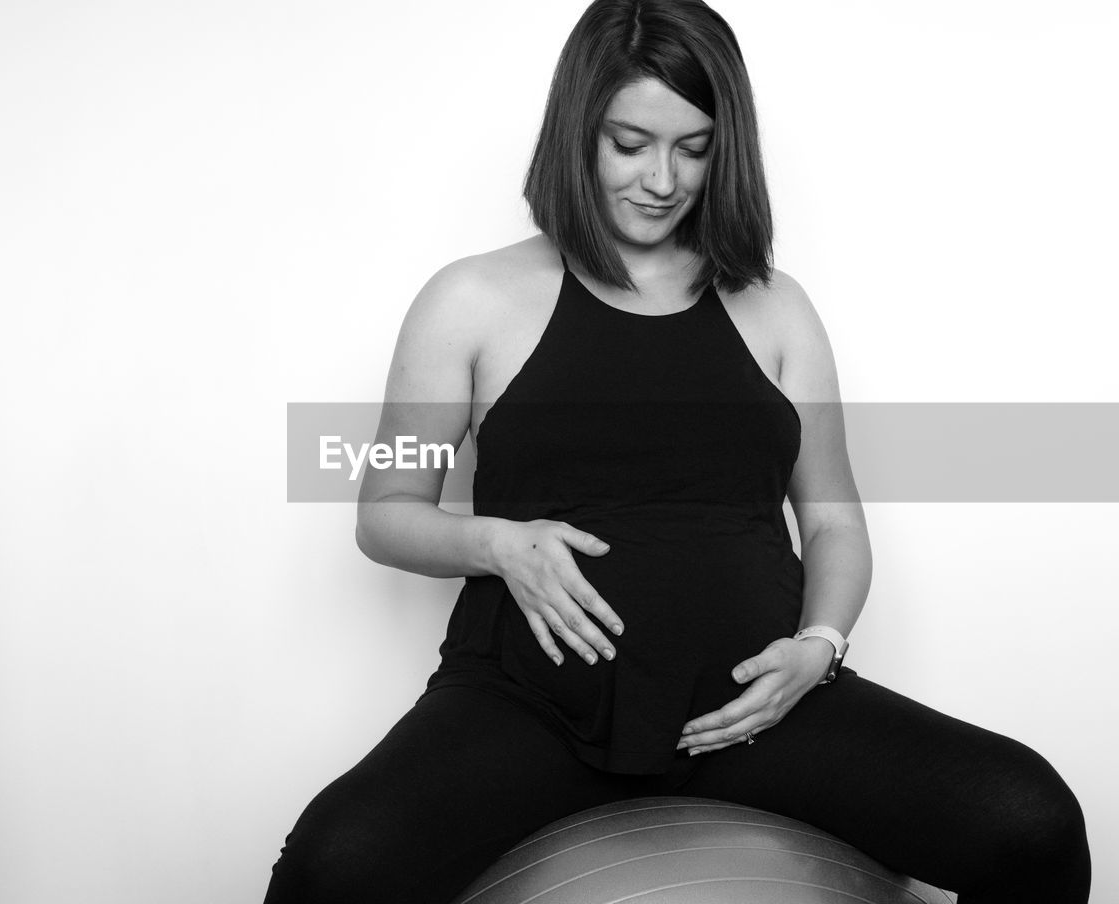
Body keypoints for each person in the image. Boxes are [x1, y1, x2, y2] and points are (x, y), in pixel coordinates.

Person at [264, 1, 1091, 901]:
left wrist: (817, 645)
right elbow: (385, 515)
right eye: (630, 143)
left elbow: (831, 517)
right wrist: (496, 542)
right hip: (530, 709)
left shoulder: (778, 308)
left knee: (1032, 821)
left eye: (693, 149)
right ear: (577, 131)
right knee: (332, 868)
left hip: (750, 708)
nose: (662, 178)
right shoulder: (471, 300)